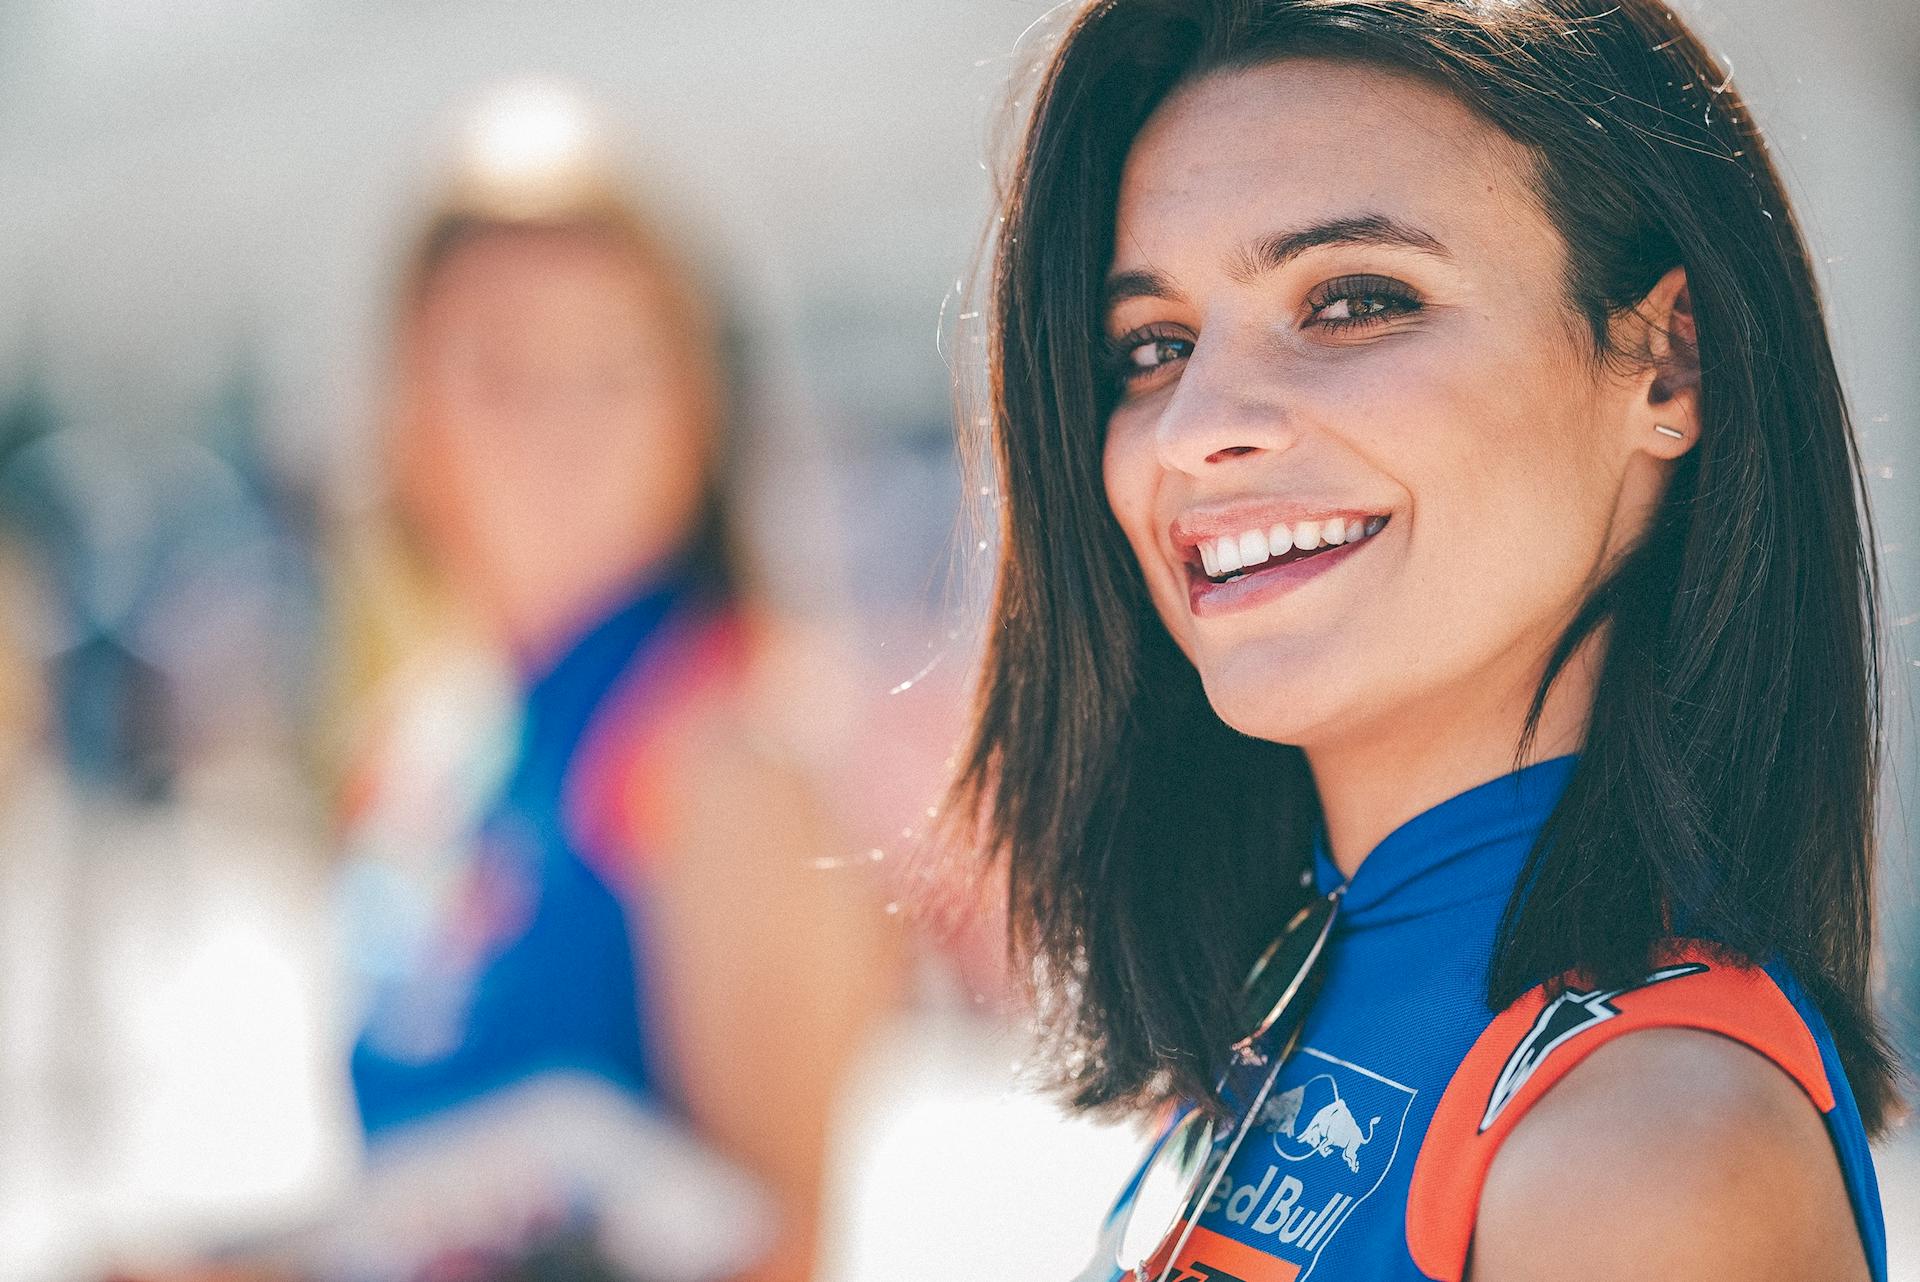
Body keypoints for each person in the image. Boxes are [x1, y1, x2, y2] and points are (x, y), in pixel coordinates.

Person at [944, 2, 1905, 1279]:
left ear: (1670, 366)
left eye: (1352, 300)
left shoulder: (1649, 1148)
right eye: (1156, 344)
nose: (1194, 427)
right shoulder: (1291, 990)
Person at [325, 93, 901, 1282]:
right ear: (406, 417)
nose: (563, 424)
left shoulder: (731, 748)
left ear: (700, 404)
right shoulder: (420, 742)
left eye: (615, 365)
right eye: (503, 367)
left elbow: (776, 1256)